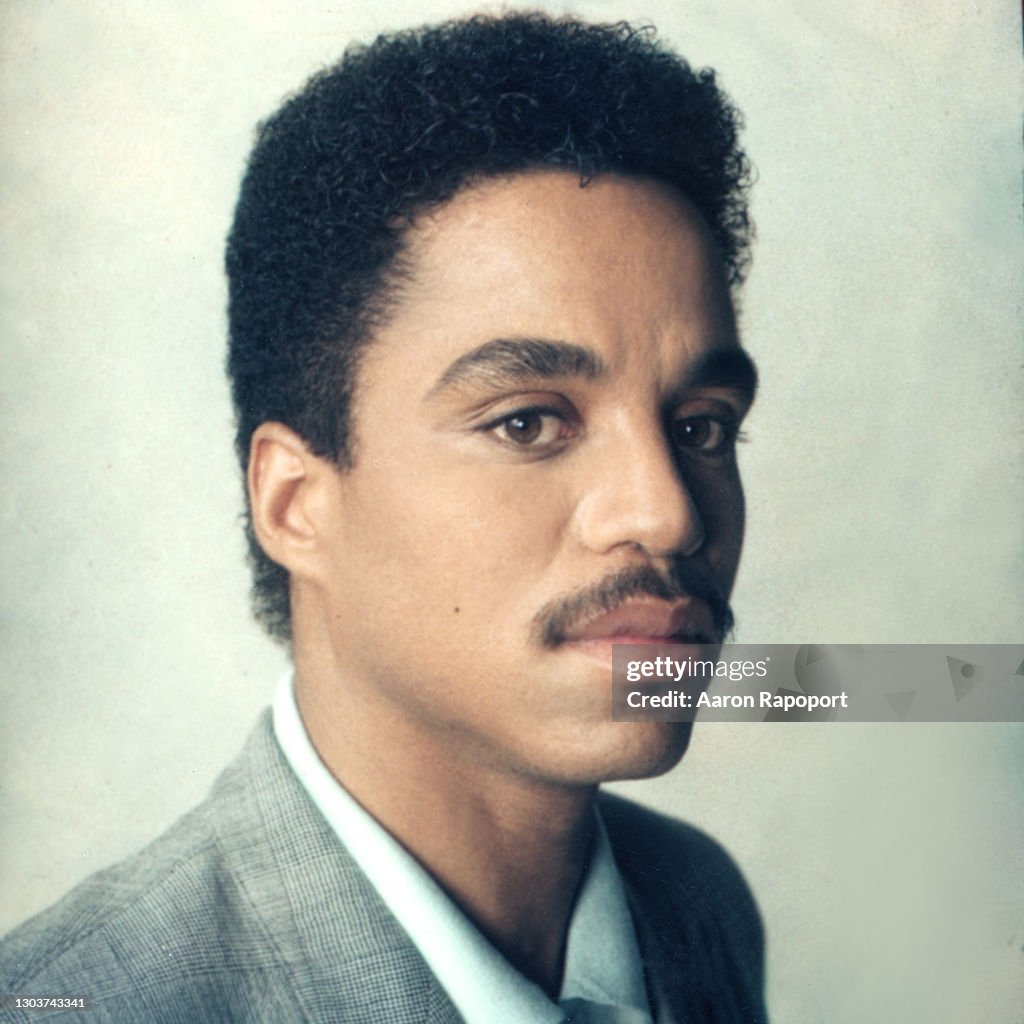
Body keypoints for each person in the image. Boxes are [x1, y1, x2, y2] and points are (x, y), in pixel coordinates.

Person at [1, 13, 766, 1022]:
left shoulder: (697, 901)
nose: (667, 513)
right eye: (528, 420)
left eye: (703, 427)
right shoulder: (81, 1001)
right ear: (295, 504)